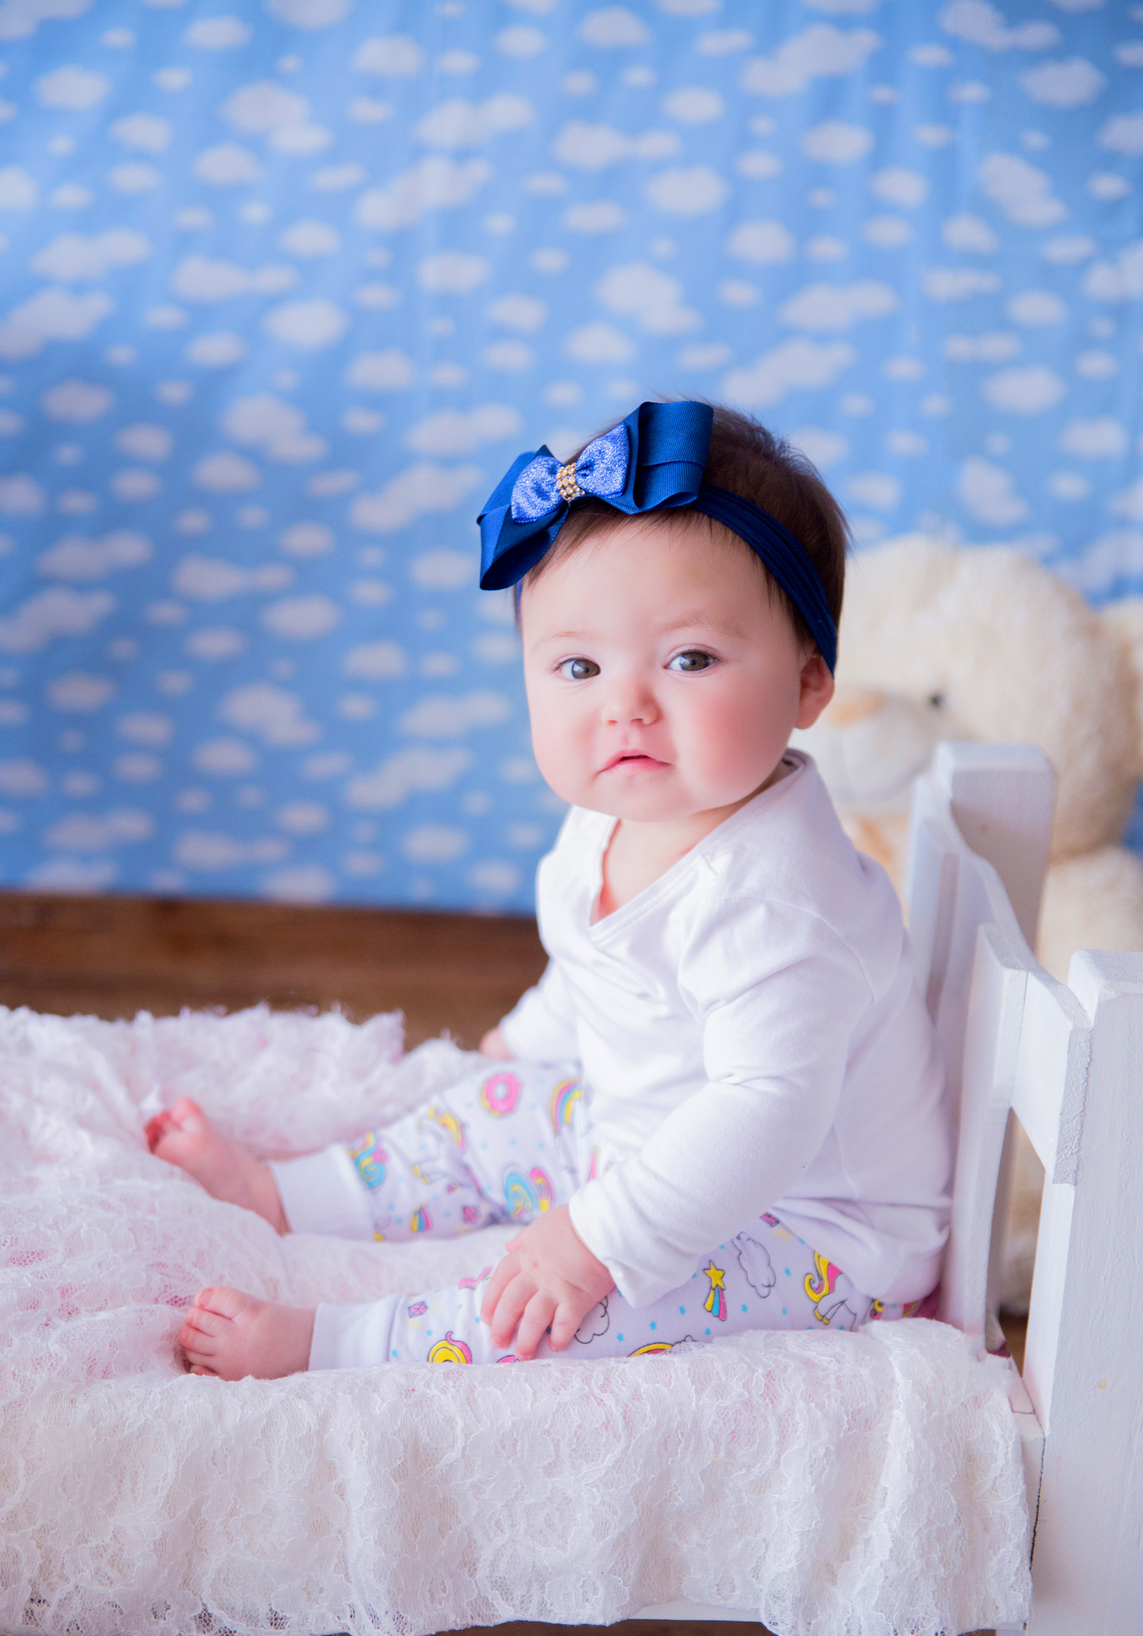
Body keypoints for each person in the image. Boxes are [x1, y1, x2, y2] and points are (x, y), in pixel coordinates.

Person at [149, 400, 951, 1381]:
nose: (626, 705)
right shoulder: (617, 816)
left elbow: (764, 1110)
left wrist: (596, 1238)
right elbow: (592, 969)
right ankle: (293, 1197)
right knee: (494, 1107)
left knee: (581, 1306)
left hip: (813, 1232)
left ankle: (344, 1346)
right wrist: (523, 1049)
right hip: (646, 1132)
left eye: (690, 659)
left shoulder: (782, 904)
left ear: (810, 682)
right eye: (578, 665)